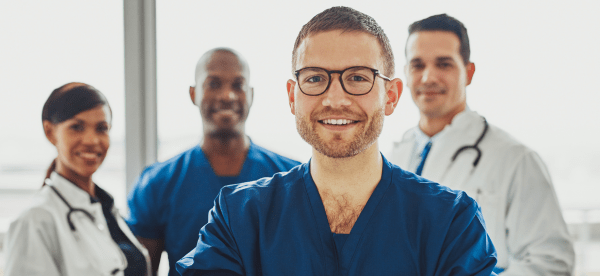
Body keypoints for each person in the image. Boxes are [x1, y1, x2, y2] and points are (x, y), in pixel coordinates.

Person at [176, 7, 497, 276]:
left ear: (391, 96)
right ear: (292, 96)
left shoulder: (451, 223)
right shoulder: (240, 218)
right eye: (315, 78)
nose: (335, 98)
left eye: (358, 77)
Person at [389, 14, 574, 274]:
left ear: (469, 72)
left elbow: (551, 263)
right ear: (406, 74)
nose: (428, 77)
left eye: (444, 64)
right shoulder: (395, 153)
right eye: (418, 65)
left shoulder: (515, 160)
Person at [126, 48, 300, 276]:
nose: (227, 96)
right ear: (193, 93)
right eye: (214, 84)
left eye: (238, 85)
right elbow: (142, 271)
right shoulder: (157, 183)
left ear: (251, 94)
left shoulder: (292, 179)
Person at [3, 83, 151, 276]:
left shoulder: (106, 210)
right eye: (77, 127)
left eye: (101, 128)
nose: (91, 140)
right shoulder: (33, 222)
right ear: (50, 132)